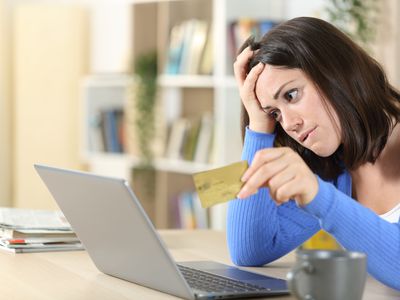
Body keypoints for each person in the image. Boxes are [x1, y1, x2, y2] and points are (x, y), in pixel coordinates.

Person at [227, 16, 400, 291]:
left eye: (292, 95)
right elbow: (249, 250)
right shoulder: (333, 171)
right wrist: (259, 125)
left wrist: (320, 197)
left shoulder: (323, 189)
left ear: (335, 70)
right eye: (275, 113)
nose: (289, 123)